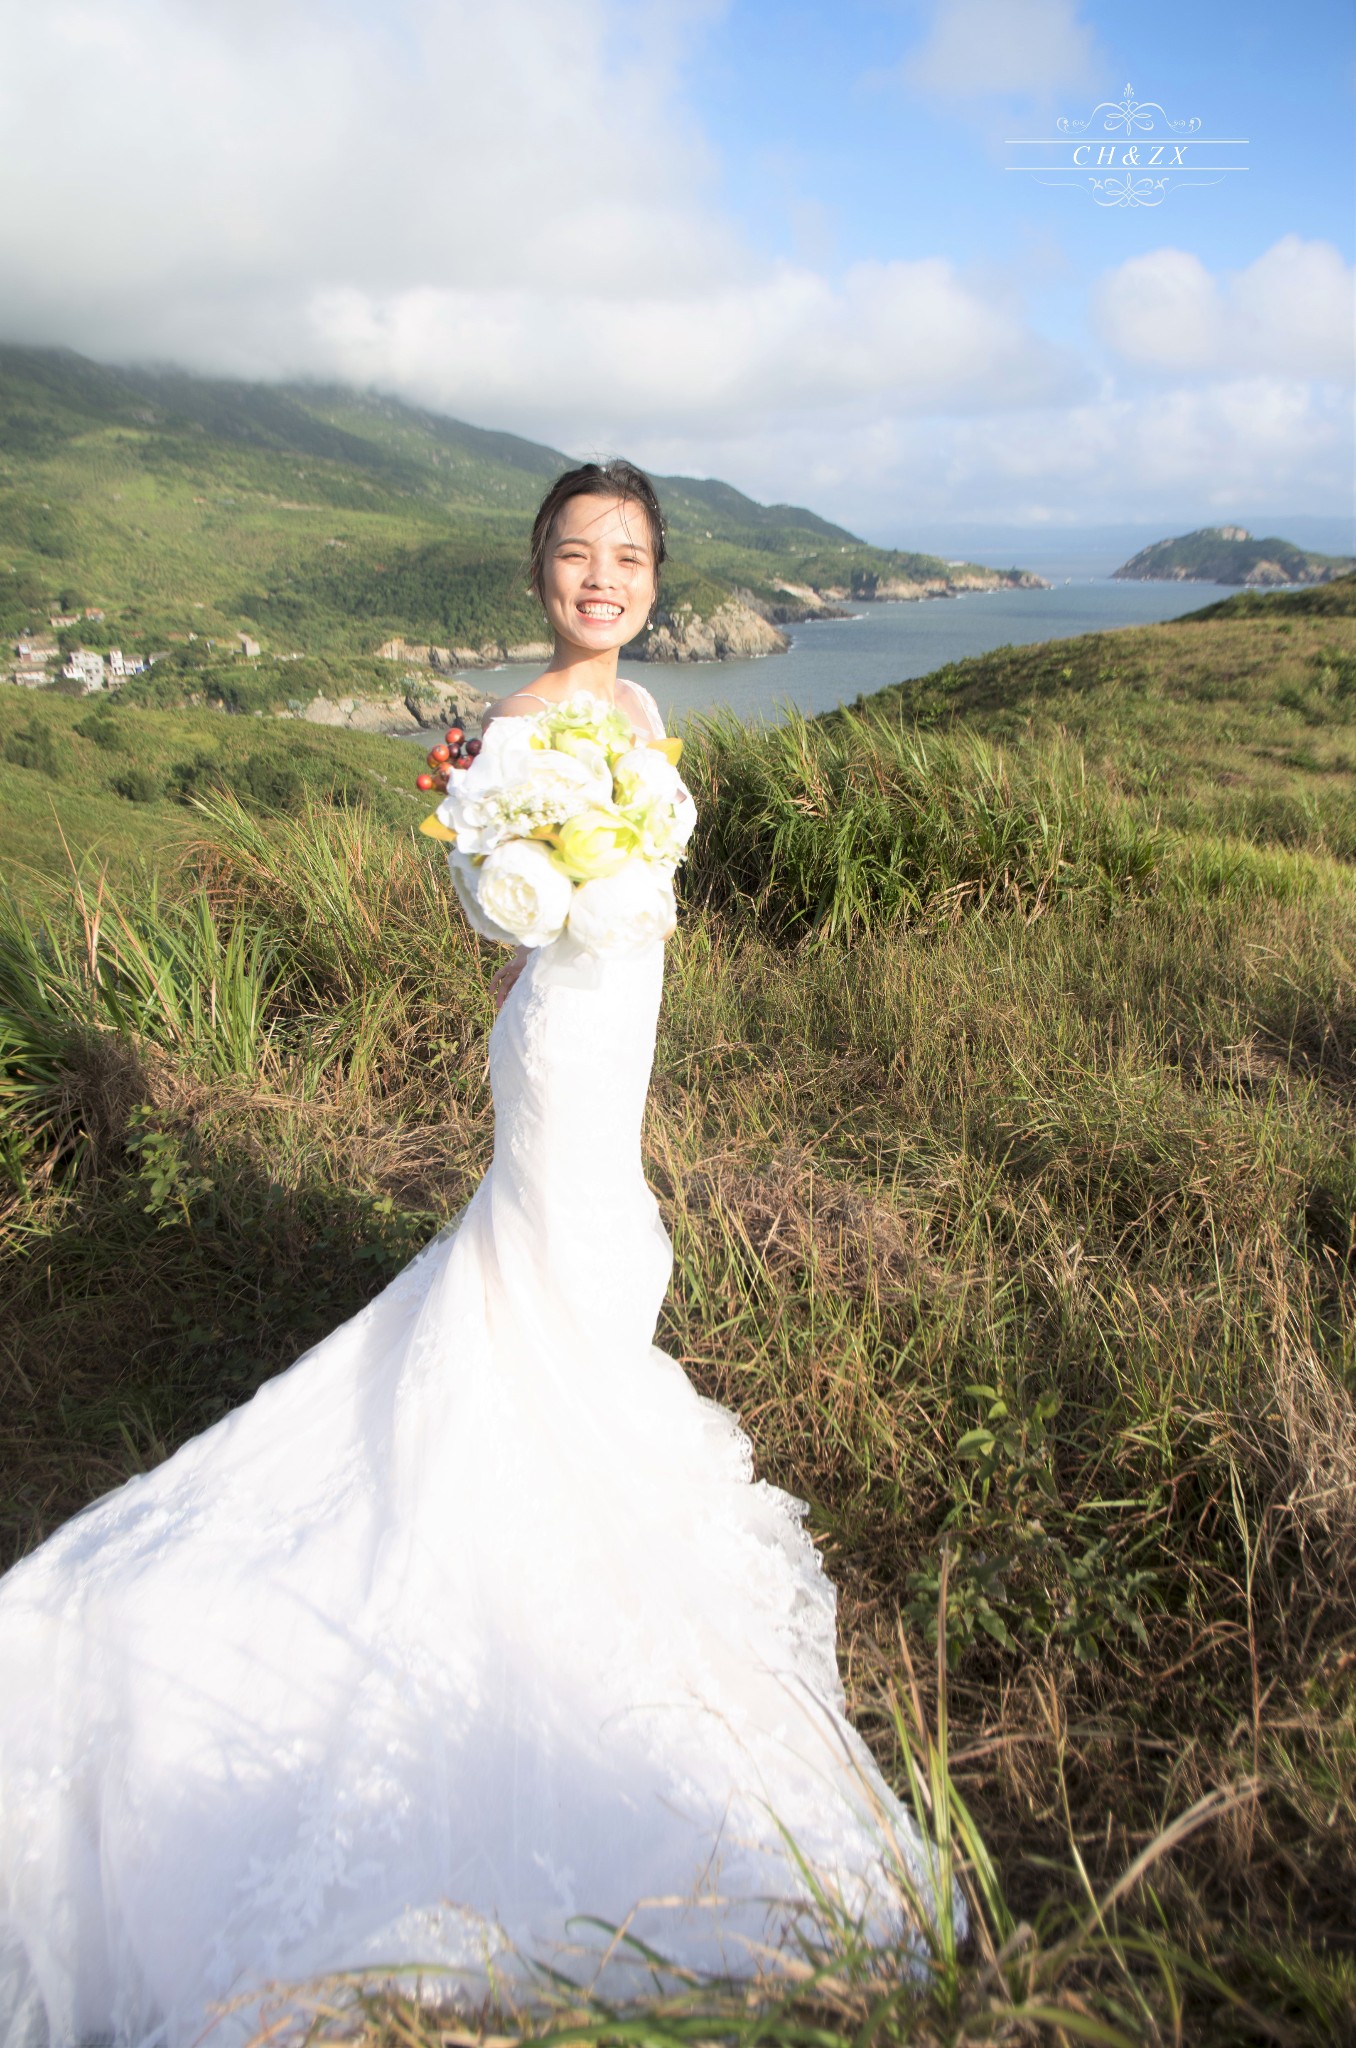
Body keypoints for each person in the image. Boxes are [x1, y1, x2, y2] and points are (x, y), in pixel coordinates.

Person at [0, 461, 949, 2048]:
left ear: (654, 577)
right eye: (578, 554)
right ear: (539, 573)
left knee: (585, 1270)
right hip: (559, 1045)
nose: (604, 577)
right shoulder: (510, 732)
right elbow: (493, 921)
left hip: (616, 1035)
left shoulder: (646, 719)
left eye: (629, 556)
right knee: (555, 1270)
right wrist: (552, 903)